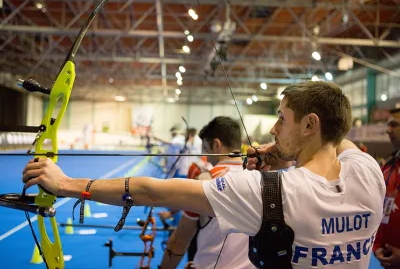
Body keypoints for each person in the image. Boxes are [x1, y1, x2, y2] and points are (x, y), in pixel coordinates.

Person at [22, 81, 385, 268]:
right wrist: (288, 154)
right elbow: (340, 143)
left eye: (281, 118)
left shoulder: (270, 192)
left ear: (309, 124)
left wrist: (66, 184)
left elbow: (153, 192)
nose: (273, 130)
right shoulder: (368, 173)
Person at [160, 116, 260, 269]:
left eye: (206, 149)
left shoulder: (206, 180)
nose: (206, 158)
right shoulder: (261, 178)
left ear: (216, 144)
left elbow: (179, 240)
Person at [373, 107, 400, 269]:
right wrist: (377, 246)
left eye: (394, 124)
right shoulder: (388, 168)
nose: (387, 130)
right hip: (387, 260)